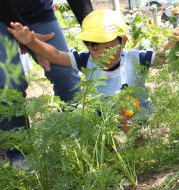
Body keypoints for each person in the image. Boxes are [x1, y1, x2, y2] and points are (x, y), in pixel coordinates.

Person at [0, 0, 93, 164]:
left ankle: (84, 141)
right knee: (8, 84)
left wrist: (96, 34)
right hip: (1, 15)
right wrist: (27, 39)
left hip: (38, 13)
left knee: (66, 73)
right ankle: (19, 157)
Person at [8, 9, 157, 133]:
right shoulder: (86, 60)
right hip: (103, 115)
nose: (101, 54)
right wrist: (31, 42)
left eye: (109, 48)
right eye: (95, 49)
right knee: (87, 126)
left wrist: (175, 41)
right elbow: (55, 55)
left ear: (123, 41)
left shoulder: (136, 58)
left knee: (124, 113)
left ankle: (138, 148)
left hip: (135, 112)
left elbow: (162, 57)